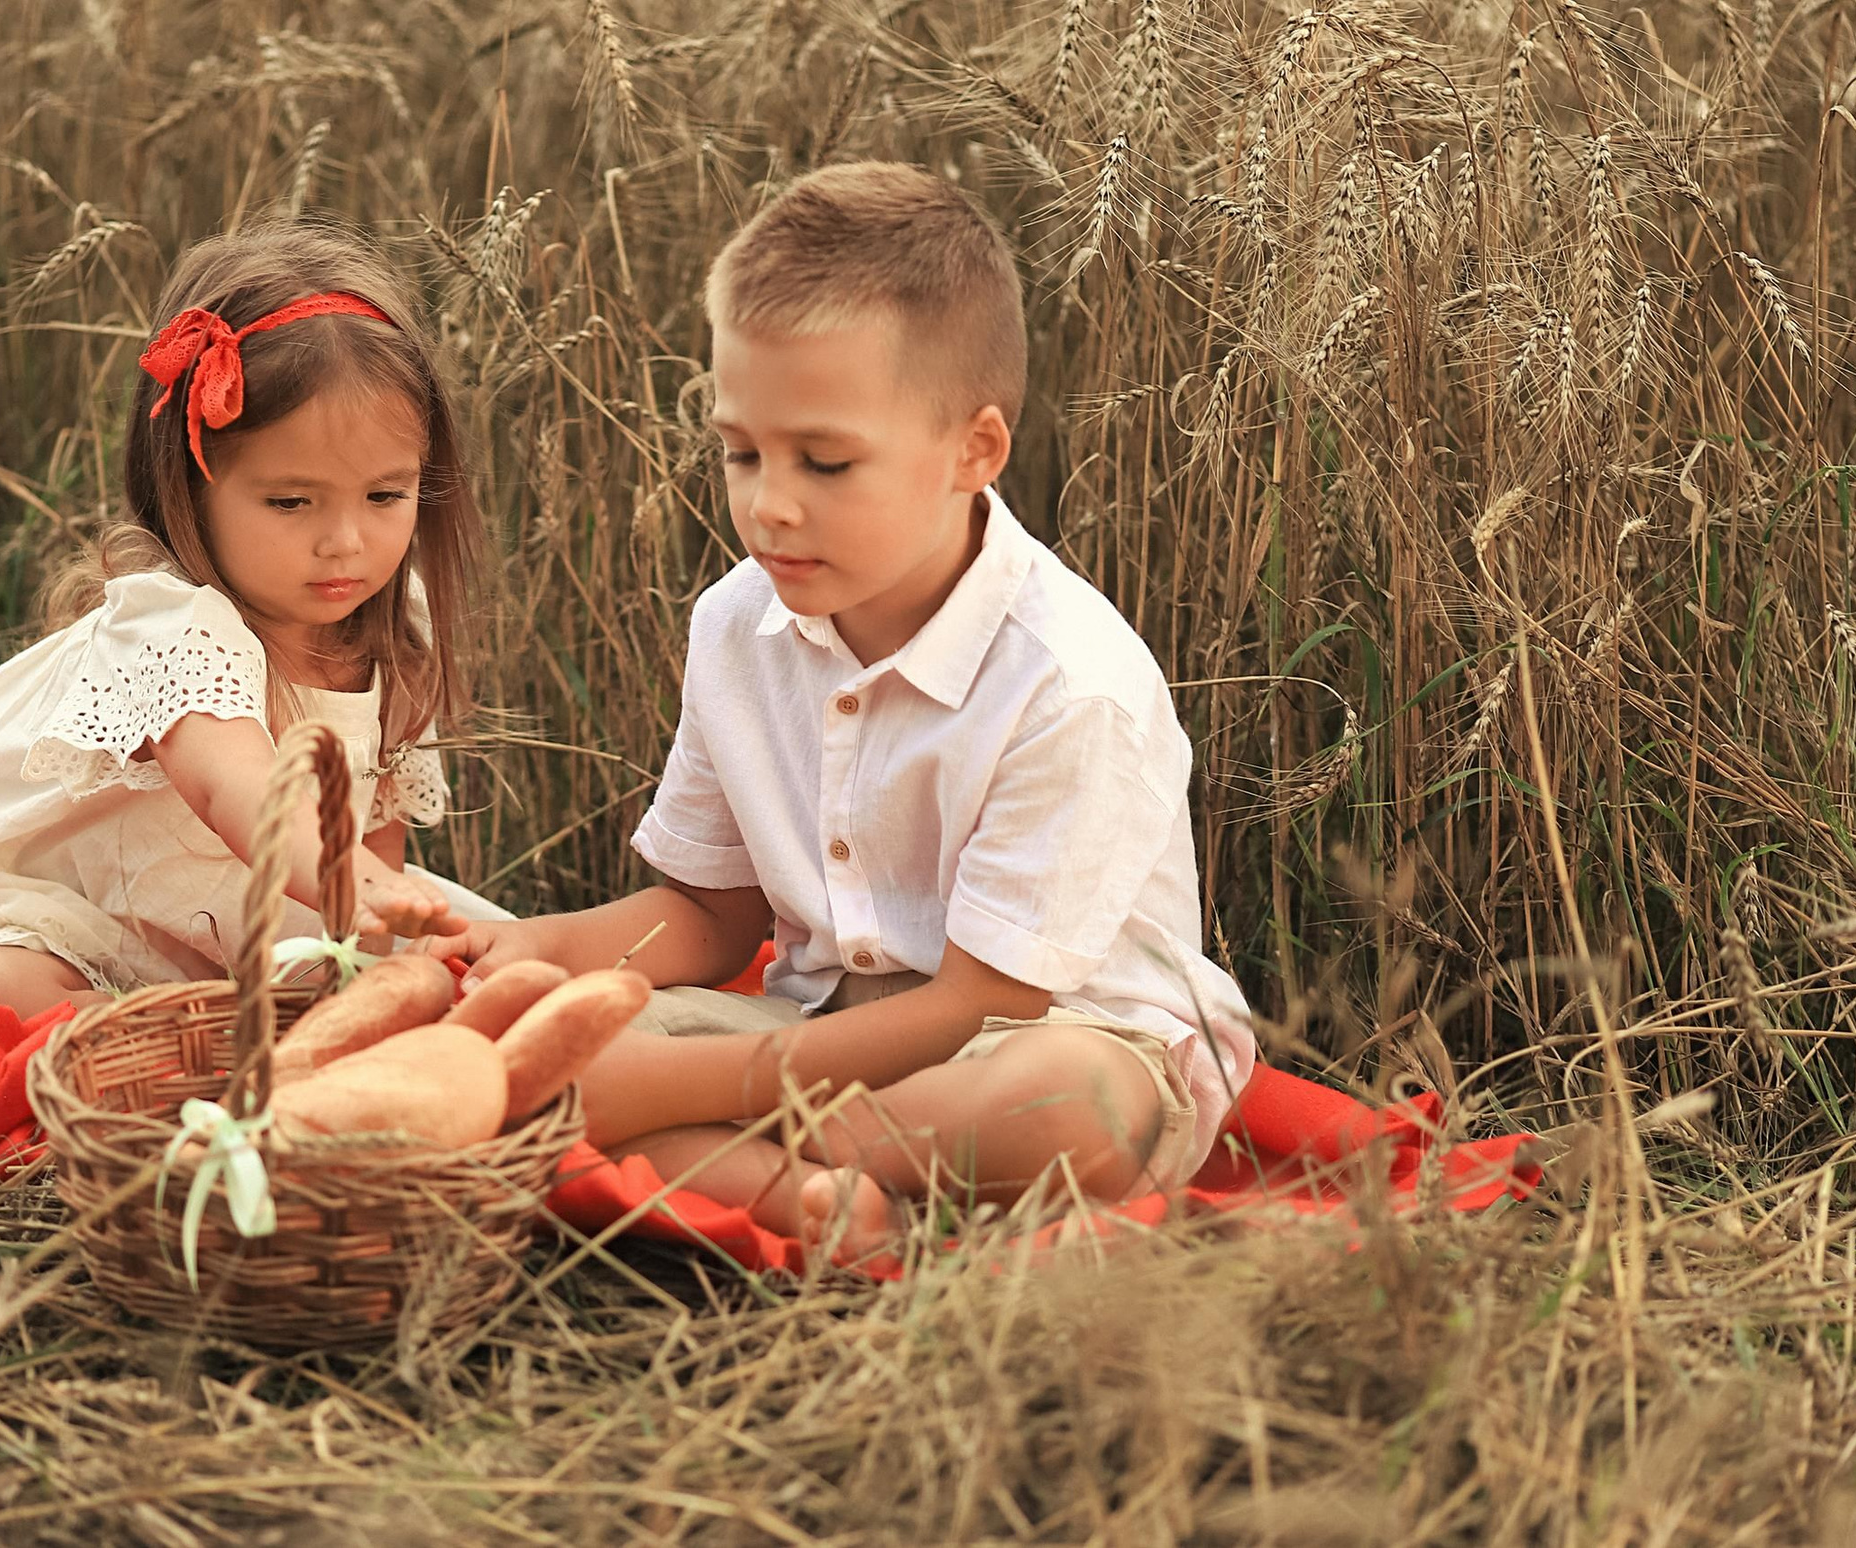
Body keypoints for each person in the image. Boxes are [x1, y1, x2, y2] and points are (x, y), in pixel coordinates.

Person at [417, 163, 1257, 1261]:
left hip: (1039, 1043)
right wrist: (538, 949)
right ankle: (816, 1201)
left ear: (976, 450)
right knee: (542, 1068)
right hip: (817, 1030)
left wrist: (683, 1084)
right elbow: (712, 917)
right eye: (740, 451)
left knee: (1073, 1105)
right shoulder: (736, 627)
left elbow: (977, 1006)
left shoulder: (1069, 682)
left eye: (824, 460)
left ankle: (756, 1168)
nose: (769, 502)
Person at [0, 221, 498, 1055]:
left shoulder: (394, 621)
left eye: (385, 496)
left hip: (253, 932)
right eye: (292, 503)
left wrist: (368, 949)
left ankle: (221, 1045)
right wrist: (351, 882)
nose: (346, 541)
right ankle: (154, 1052)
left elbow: (373, 821)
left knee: (474, 968)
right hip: (84, 919)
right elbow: (241, 793)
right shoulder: (172, 624)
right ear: (192, 490)